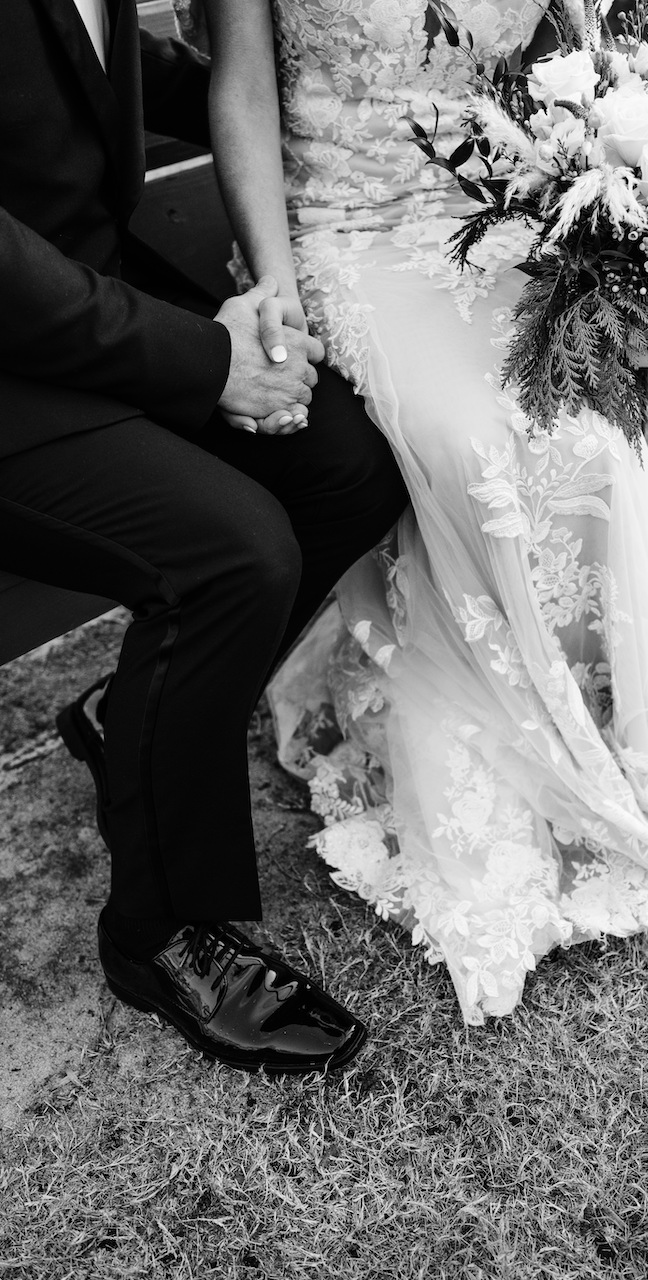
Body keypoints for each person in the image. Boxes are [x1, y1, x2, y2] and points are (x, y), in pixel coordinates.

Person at [180, 0, 648, 1027]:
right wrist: (278, 291)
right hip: (338, 231)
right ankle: (470, 728)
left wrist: (615, 215)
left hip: (479, 221)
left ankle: (573, 669)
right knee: (475, 449)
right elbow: (242, 84)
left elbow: (585, 58)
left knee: (581, 436)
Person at [0, 0, 408, 1072]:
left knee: (348, 469)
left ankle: (123, 715)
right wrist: (206, 359)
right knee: (232, 554)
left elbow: (98, 62)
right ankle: (157, 931)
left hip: (83, 306)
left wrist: (322, 105)